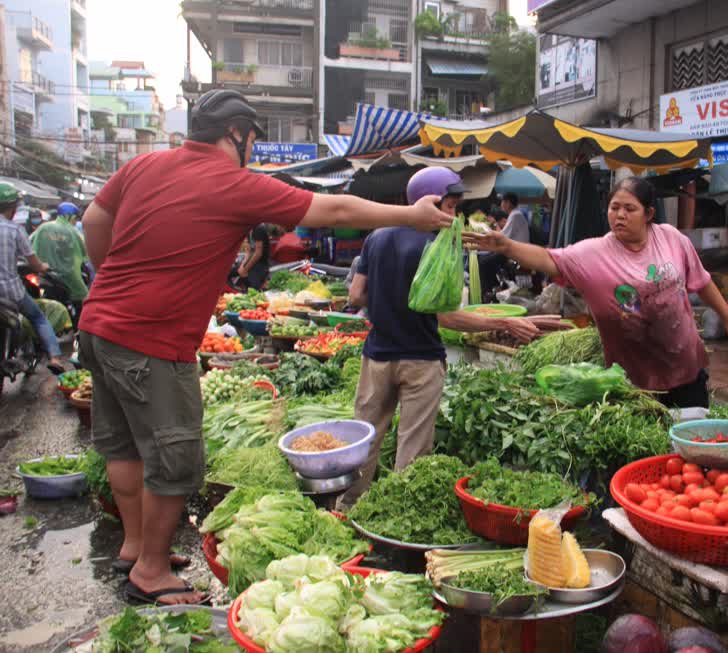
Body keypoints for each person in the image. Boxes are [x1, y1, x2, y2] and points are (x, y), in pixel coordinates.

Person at [77, 88, 452, 606]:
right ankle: (151, 571)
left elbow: (94, 221)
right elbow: (331, 207)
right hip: (152, 337)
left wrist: (113, 284)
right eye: (252, 137)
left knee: (124, 447)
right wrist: (412, 216)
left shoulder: (144, 165)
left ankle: (136, 547)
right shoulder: (234, 183)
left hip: (98, 326)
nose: (251, 146)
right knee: (176, 455)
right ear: (238, 134)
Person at [338, 167, 540, 508]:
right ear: (428, 201)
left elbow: (356, 296)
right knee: (413, 450)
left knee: (366, 440)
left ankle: (348, 509)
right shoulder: (437, 244)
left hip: (377, 357)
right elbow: (446, 316)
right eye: (449, 205)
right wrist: (505, 325)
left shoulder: (378, 235)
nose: (454, 214)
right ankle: (397, 515)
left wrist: (391, 298)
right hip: (420, 360)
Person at [464, 176, 728, 409]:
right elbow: (549, 258)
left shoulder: (672, 239)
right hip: (635, 379)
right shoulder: (593, 253)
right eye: (615, 208)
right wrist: (507, 247)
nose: (620, 216)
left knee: (693, 449)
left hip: (686, 366)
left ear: (649, 213)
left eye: (629, 208)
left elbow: (701, 281)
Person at [0, 184, 66, 374]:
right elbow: (34, 263)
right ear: (13, 209)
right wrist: (43, 266)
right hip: (11, 292)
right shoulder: (15, 230)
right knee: (38, 318)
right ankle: (55, 357)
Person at [30, 202, 90, 306]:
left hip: (43, 273)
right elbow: (85, 251)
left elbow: (28, 242)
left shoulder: (44, 227)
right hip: (68, 275)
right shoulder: (73, 231)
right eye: (75, 219)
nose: (75, 222)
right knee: (83, 296)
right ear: (71, 217)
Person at [237, 223, 270, 289]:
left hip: (261, 264)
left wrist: (245, 269)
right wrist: (242, 266)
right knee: (232, 271)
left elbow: (258, 253)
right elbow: (249, 251)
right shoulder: (249, 230)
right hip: (252, 261)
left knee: (253, 287)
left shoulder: (258, 229)